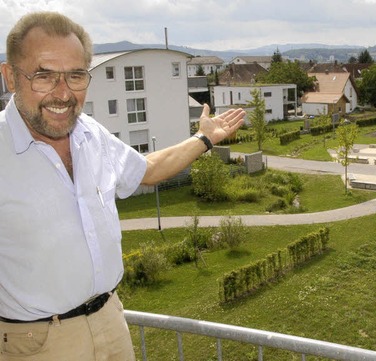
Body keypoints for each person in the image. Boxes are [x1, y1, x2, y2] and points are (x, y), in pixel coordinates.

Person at [0, 11, 245, 360]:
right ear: (10, 76)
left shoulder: (90, 134)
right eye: (43, 76)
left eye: (75, 76)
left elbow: (146, 169)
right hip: (37, 343)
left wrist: (204, 138)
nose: (62, 93)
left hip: (111, 322)